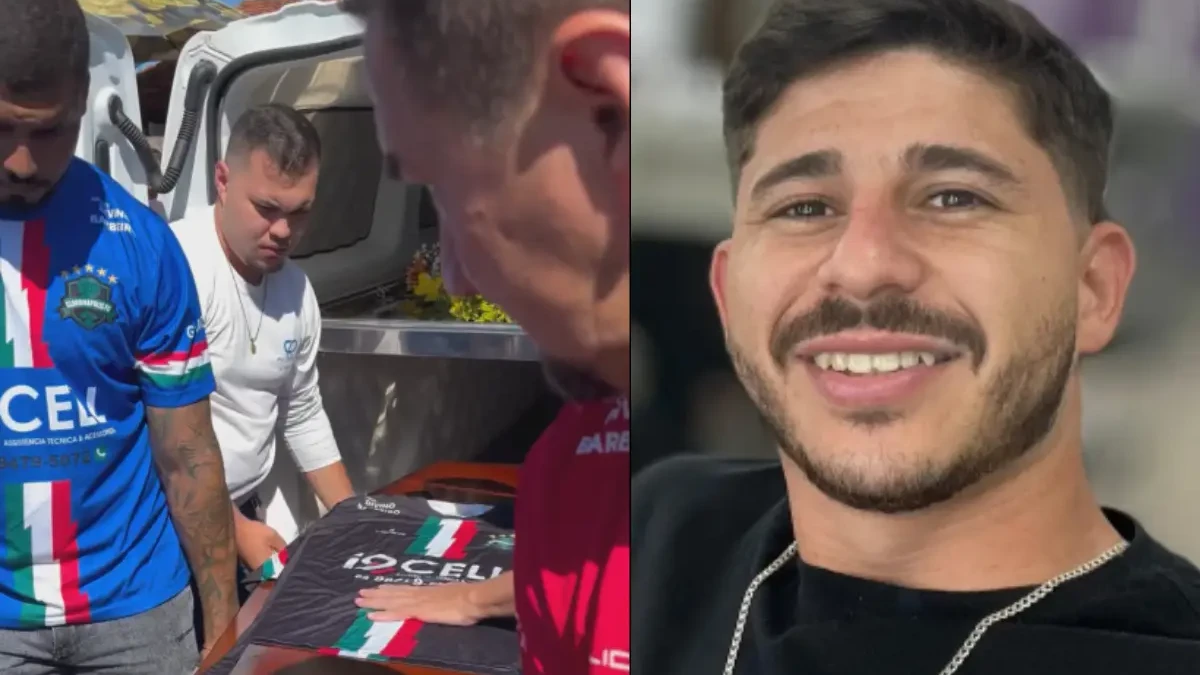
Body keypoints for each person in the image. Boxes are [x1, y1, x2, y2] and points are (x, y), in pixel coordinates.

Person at [631, 0, 1200, 674]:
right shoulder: (654, 537)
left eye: (953, 198)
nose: (865, 266)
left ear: (1095, 288)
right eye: (804, 206)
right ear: (728, 297)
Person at [341, 1, 631, 673]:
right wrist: (478, 597)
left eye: (440, 186)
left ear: (608, 95)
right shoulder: (571, 455)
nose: (458, 279)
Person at [0, 1, 239, 672]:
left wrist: (223, 627)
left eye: (48, 131)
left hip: (138, 613)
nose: (21, 161)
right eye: (1, 127)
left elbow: (187, 452)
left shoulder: (143, 243)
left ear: (82, 99)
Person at [171, 105, 355, 592]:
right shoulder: (176, 269)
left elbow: (301, 410)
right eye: (267, 208)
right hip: (168, 525)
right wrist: (235, 531)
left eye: (300, 212)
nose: (283, 231)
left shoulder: (295, 289)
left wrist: (353, 516)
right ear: (223, 181)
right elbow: (146, 429)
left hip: (243, 511)